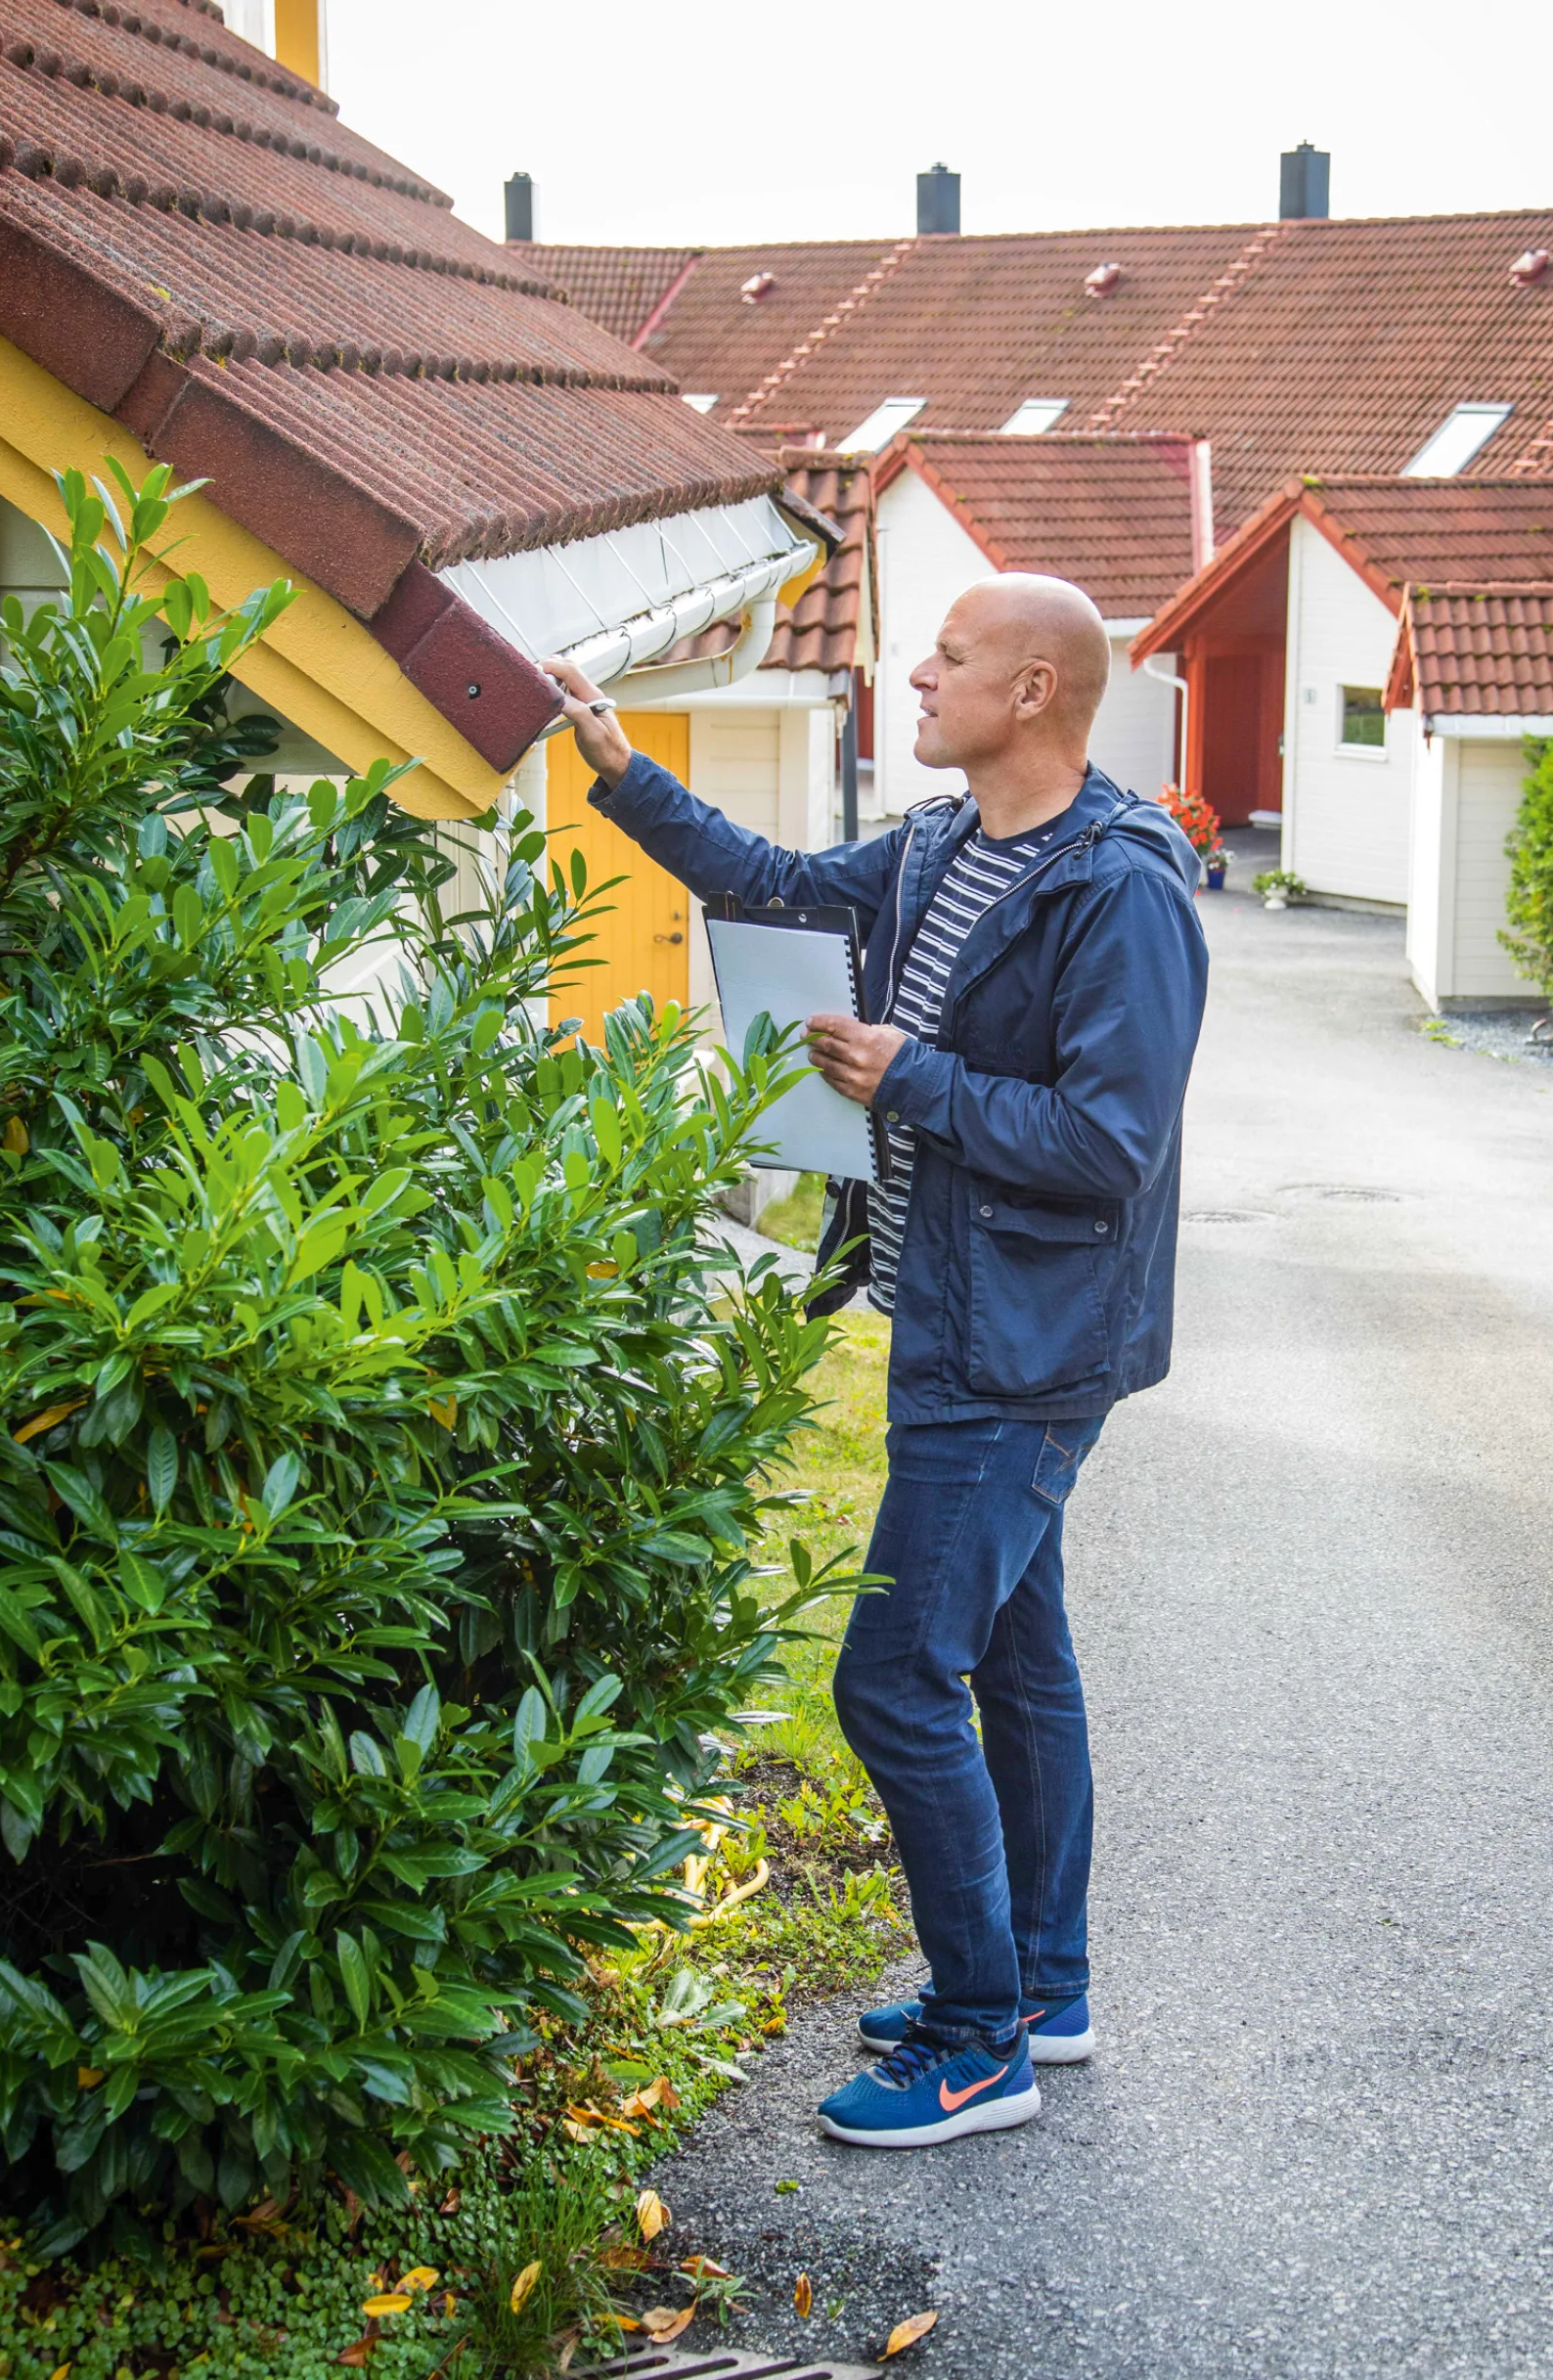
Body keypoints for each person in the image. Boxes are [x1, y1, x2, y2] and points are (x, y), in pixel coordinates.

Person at [543, 571, 1207, 2150]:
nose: (918, 674)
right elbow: (772, 885)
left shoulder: (1121, 889)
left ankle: (978, 2046)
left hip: (1024, 1352)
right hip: (944, 1314)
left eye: (953, 659)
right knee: (1019, 1665)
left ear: (1034, 692)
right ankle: (1042, 1990)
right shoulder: (930, 846)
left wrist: (916, 1079)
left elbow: (1110, 1146)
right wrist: (622, 773)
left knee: (899, 1681)